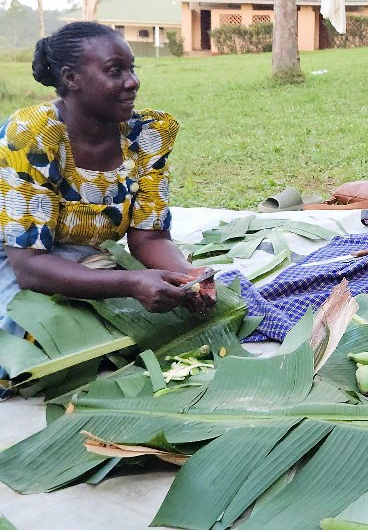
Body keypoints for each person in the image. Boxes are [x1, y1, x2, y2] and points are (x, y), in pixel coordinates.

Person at [0, 22, 214, 368]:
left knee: (154, 330)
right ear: (71, 78)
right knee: (30, 349)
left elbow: (151, 238)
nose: (133, 81)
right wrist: (130, 283)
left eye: (132, 69)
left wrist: (189, 277)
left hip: (88, 257)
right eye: (116, 71)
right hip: (18, 257)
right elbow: (29, 267)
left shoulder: (145, 138)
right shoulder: (34, 137)